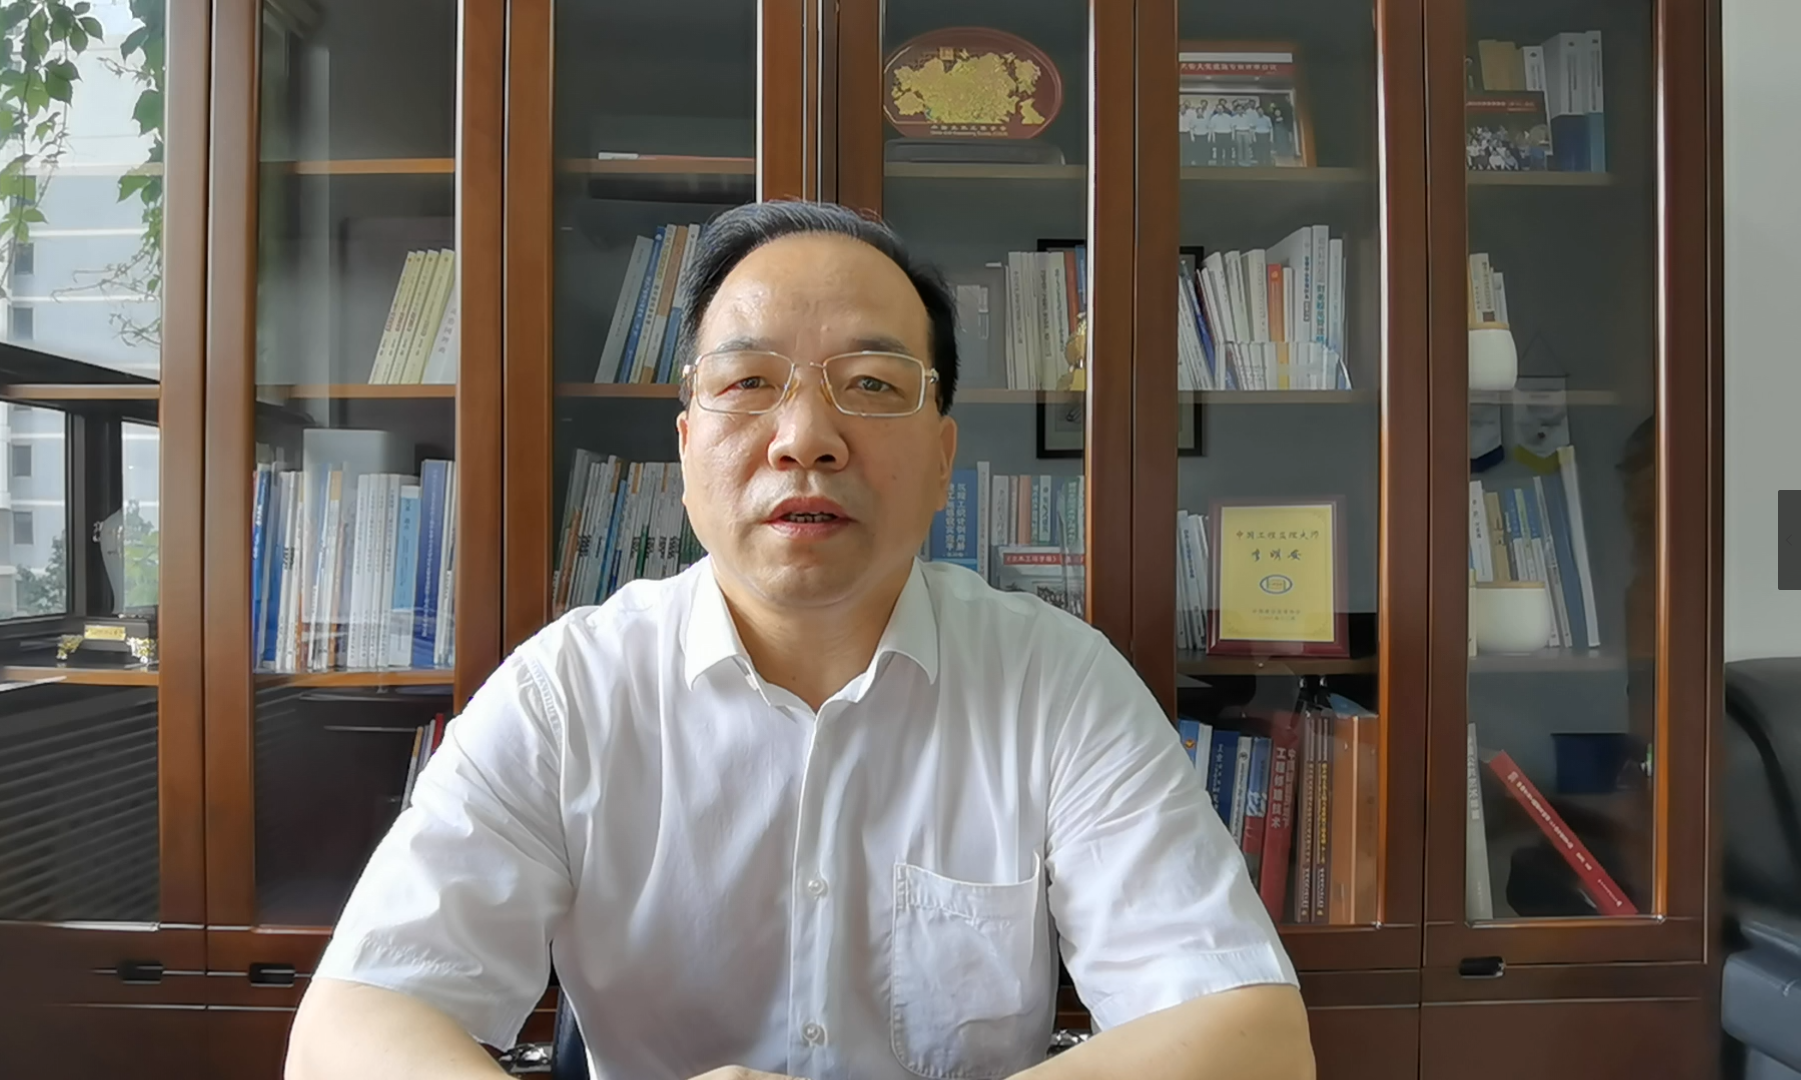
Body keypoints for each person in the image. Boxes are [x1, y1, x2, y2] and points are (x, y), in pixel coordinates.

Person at [284, 201, 1314, 1080]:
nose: (806, 438)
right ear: (687, 446)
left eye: (872, 385)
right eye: (747, 383)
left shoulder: (1058, 683)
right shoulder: (569, 692)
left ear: (943, 456)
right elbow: (353, 1024)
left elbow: (1251, 1035)